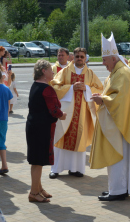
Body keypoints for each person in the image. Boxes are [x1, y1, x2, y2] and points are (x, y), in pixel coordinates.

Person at [89, 34, 130, 201]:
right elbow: (116, 94)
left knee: (117, 155)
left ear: (113, 58)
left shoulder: (121, 73)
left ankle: (118, 190)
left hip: (120, 124)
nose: (103, 64)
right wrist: (103, 96)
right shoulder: (118, 71)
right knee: (120, 156)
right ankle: (120, 188)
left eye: (104, 60)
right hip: (120, 122)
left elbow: (119, 99)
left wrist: (103, 100)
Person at [49, 48, 103, 179]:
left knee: (79, 139)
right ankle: (55, 169)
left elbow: (100, 89)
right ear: (73, 58)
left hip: (82, 114)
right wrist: (71, 87)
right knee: (61, 137)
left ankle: (76, 169)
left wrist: (87, 88)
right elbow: (54, 86)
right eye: (77, 56)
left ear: (85, 58)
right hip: (66, 112)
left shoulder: (90, 74)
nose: (79, 58)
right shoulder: (65, 72)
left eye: (82, 56)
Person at [26, 60, 67, 203]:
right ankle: (34, 192)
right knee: (38, 161)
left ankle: (38, 188)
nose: (53, 72)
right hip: (41, 128)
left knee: (37, 160)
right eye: (50, 69)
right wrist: (62, 115)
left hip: (33, 126)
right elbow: (54, 110)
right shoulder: (47, 89)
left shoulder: (36, 85)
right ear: (43, 71)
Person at [0, 68, 13, 175]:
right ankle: (4, 165)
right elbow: (9, 107)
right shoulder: (6, 89)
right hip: (3, 120)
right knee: (1, 142)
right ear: (1, 77)